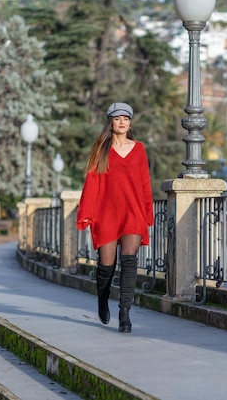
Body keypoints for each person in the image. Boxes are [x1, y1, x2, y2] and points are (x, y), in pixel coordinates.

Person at [76, 102, 153, 333]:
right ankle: (102, 298)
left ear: (130, 123)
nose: (122, 122)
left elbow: (144, 182)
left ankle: (125, 312)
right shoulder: (101, 149)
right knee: (106, 265)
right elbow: (92, 182)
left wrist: (147, 214)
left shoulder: (139, 148)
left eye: (126, 118)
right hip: (107, 213)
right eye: (118, 118)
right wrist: (87, 214)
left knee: (129, 260)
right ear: (111, 121)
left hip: (132, 212)